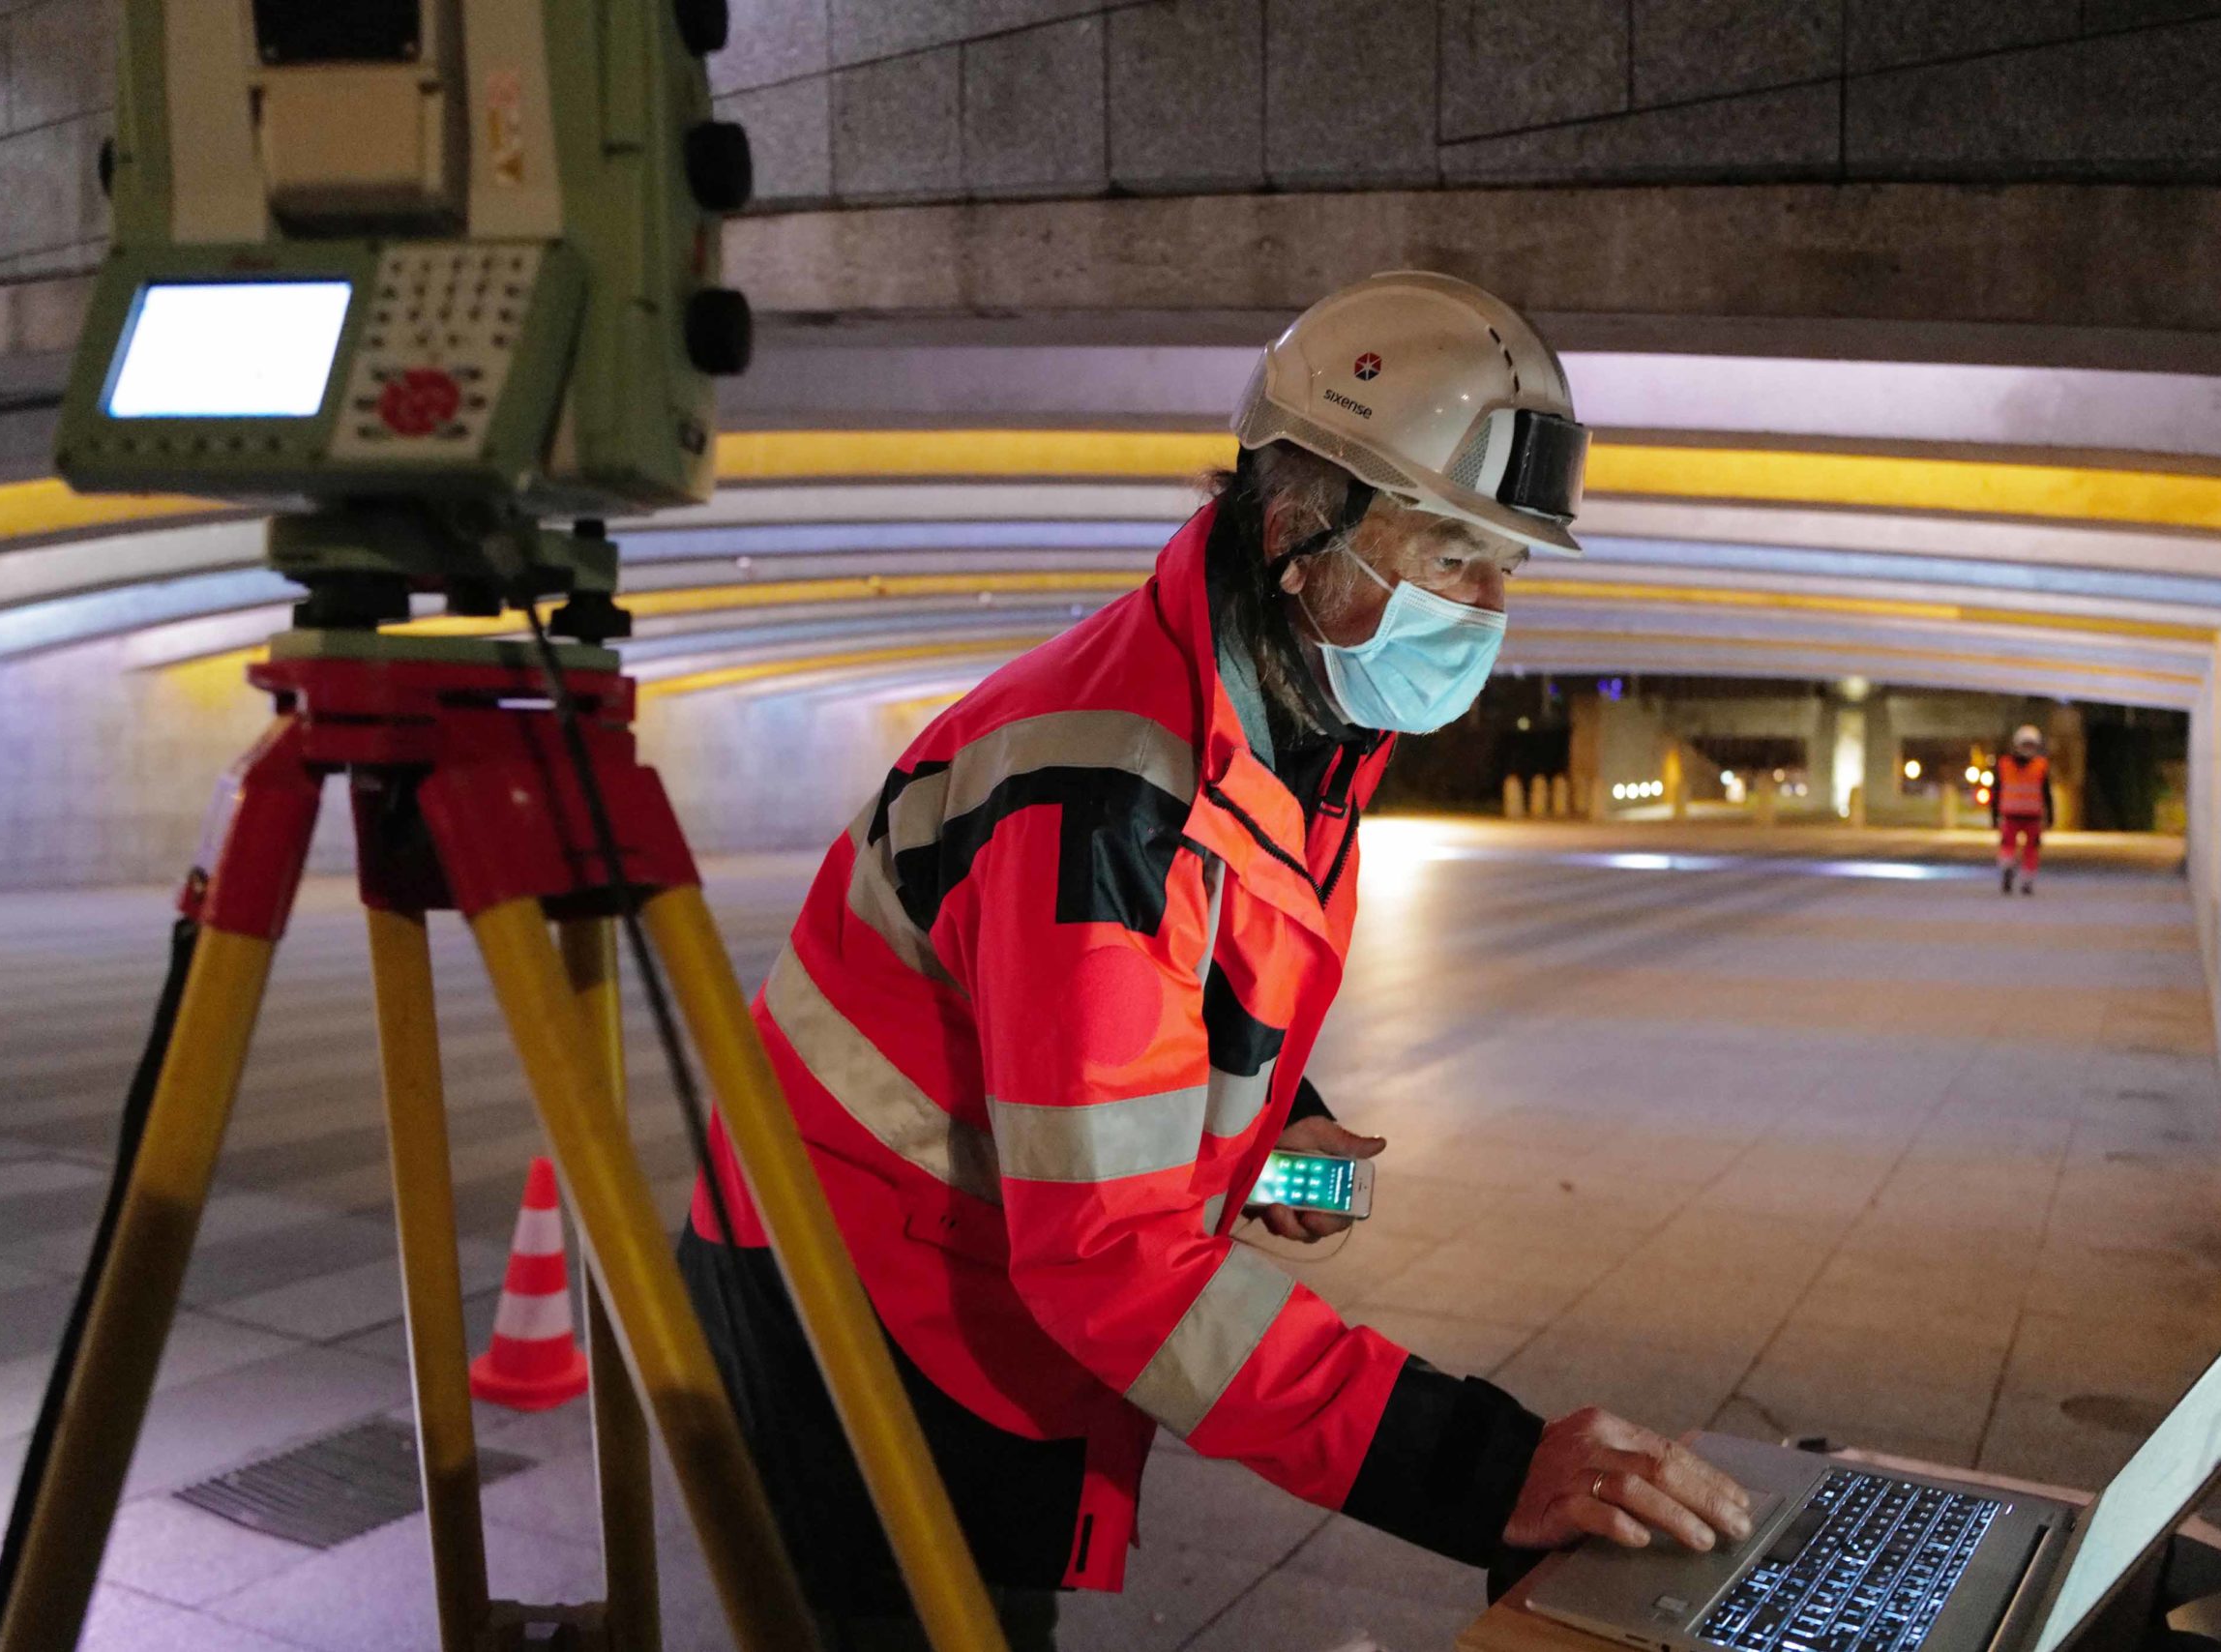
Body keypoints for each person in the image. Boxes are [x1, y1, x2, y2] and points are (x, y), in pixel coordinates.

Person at [676, 273, 1754, 1649]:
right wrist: (1485, 1466)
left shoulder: (1285, 706)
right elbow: (1109, 1259)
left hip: (951, 1250)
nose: (1487, 608)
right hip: (849, 1300)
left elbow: (1174, 980)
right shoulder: (1110, 793)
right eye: (1451, 552)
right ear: (1302, 520)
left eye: (1507, 565)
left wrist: (1281, 1115)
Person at [1994, 724, 2053, 895]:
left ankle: (2017, 874)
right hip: (2019, 815)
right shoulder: (2038, 765)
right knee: (2017, 848)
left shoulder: (2006, 764)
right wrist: (1994, 814)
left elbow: (2046, 792)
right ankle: (2017, 875)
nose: (2028, 749)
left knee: (2022, 849)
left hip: (2024, 816)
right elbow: (1997, 790)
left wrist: (2049, 815)